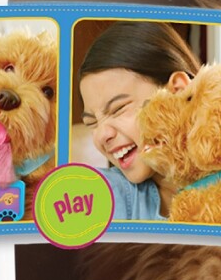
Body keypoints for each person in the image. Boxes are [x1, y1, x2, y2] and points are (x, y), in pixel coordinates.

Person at [77, 22, 201, 221]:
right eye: (93, 123)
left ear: (178, 91)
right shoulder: (107, 196)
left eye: (118, 109)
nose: (101, 135)